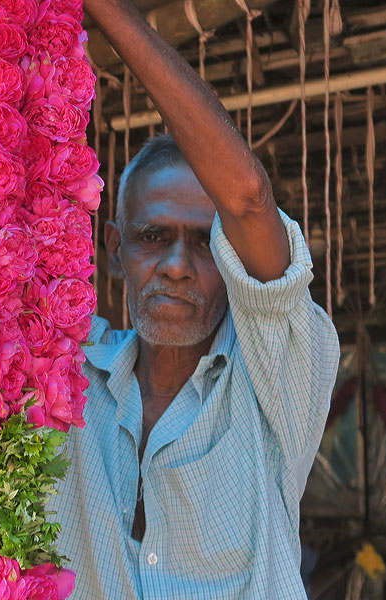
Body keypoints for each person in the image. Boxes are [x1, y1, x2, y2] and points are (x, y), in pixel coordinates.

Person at [48, 1, 341, 598]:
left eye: (205, 243)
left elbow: (249, 198)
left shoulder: (276, 384)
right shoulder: (65, 373)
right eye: (154, 237)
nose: (178, 266)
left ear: (233, 260)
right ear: (115, 250)